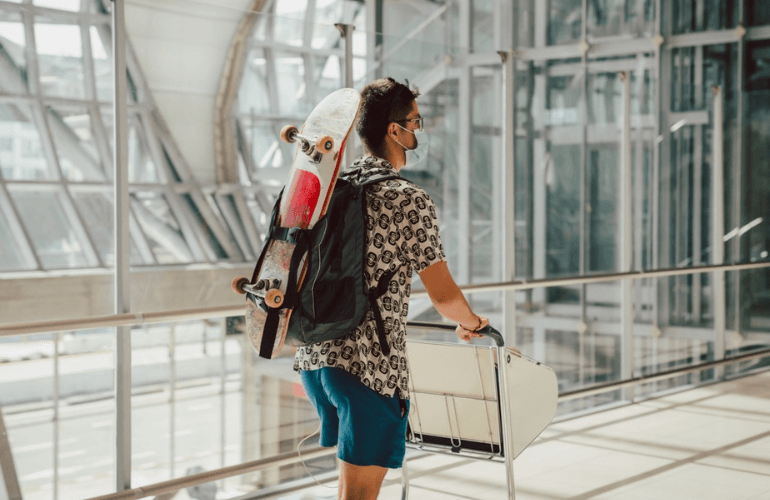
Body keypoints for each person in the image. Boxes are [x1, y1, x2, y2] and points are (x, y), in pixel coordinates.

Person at [294, 77, 489, 500]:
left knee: (350, 489)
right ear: (393, 129)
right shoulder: (407, 198)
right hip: (369, 368)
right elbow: (442, 295)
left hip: (318, 357)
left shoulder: (335, 187)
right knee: (361, 494)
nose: (419, 130)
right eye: (415, 121)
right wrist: (472, 323)